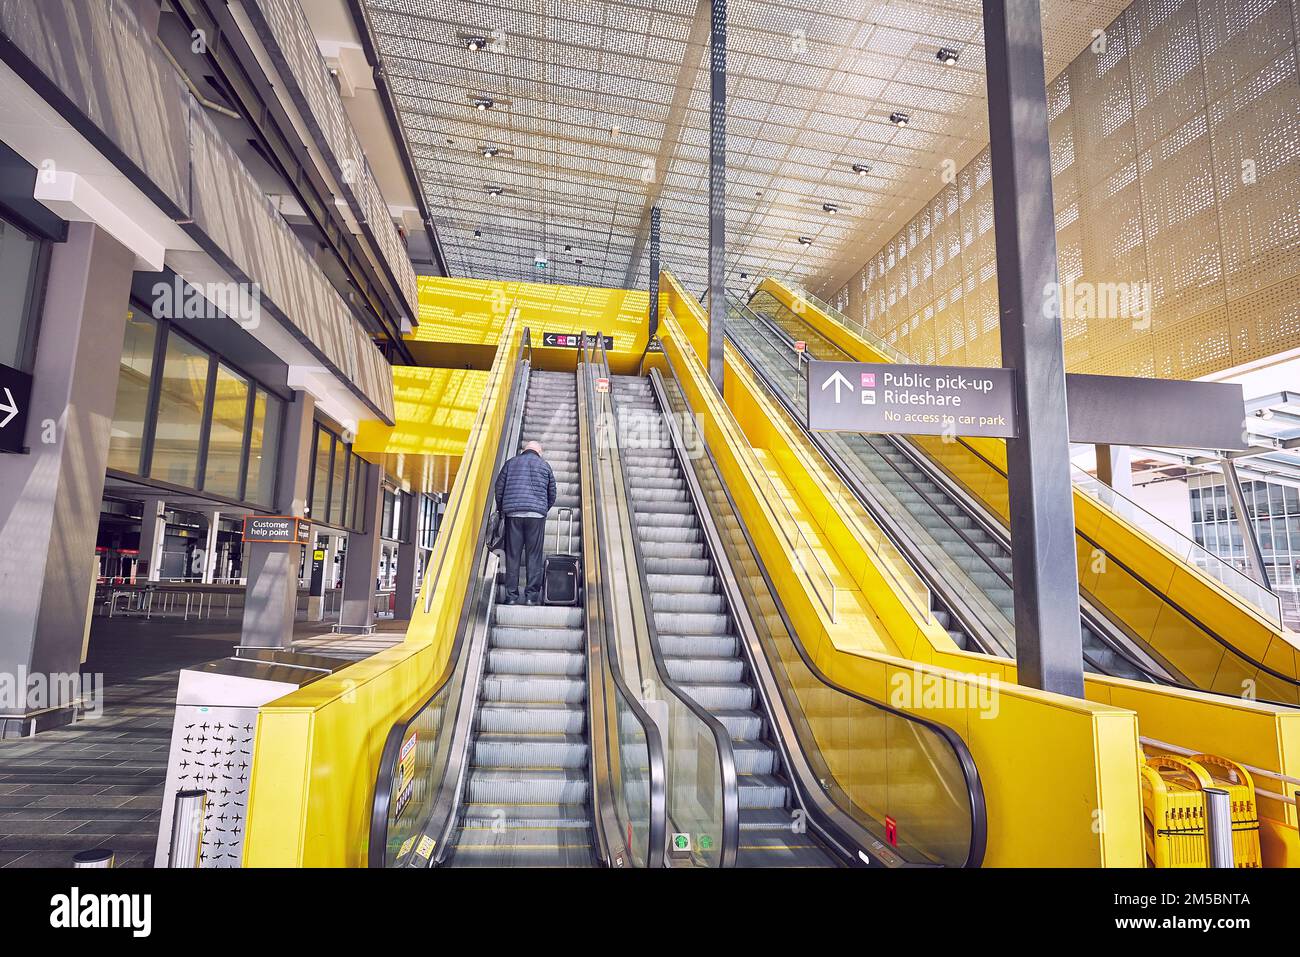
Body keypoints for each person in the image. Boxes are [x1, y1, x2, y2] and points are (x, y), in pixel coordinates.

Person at [495, 440, 557, 604]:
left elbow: (499, 488)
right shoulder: (544, 466)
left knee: (513, 556)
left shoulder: (510, 463)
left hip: (513, 515)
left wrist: (503, 509)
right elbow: (552, 493)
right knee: (534, 556)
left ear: (525, 450)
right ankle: (531, 597)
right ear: (539, 451)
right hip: (536, 517)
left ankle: (511, 597)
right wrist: (542, 509)